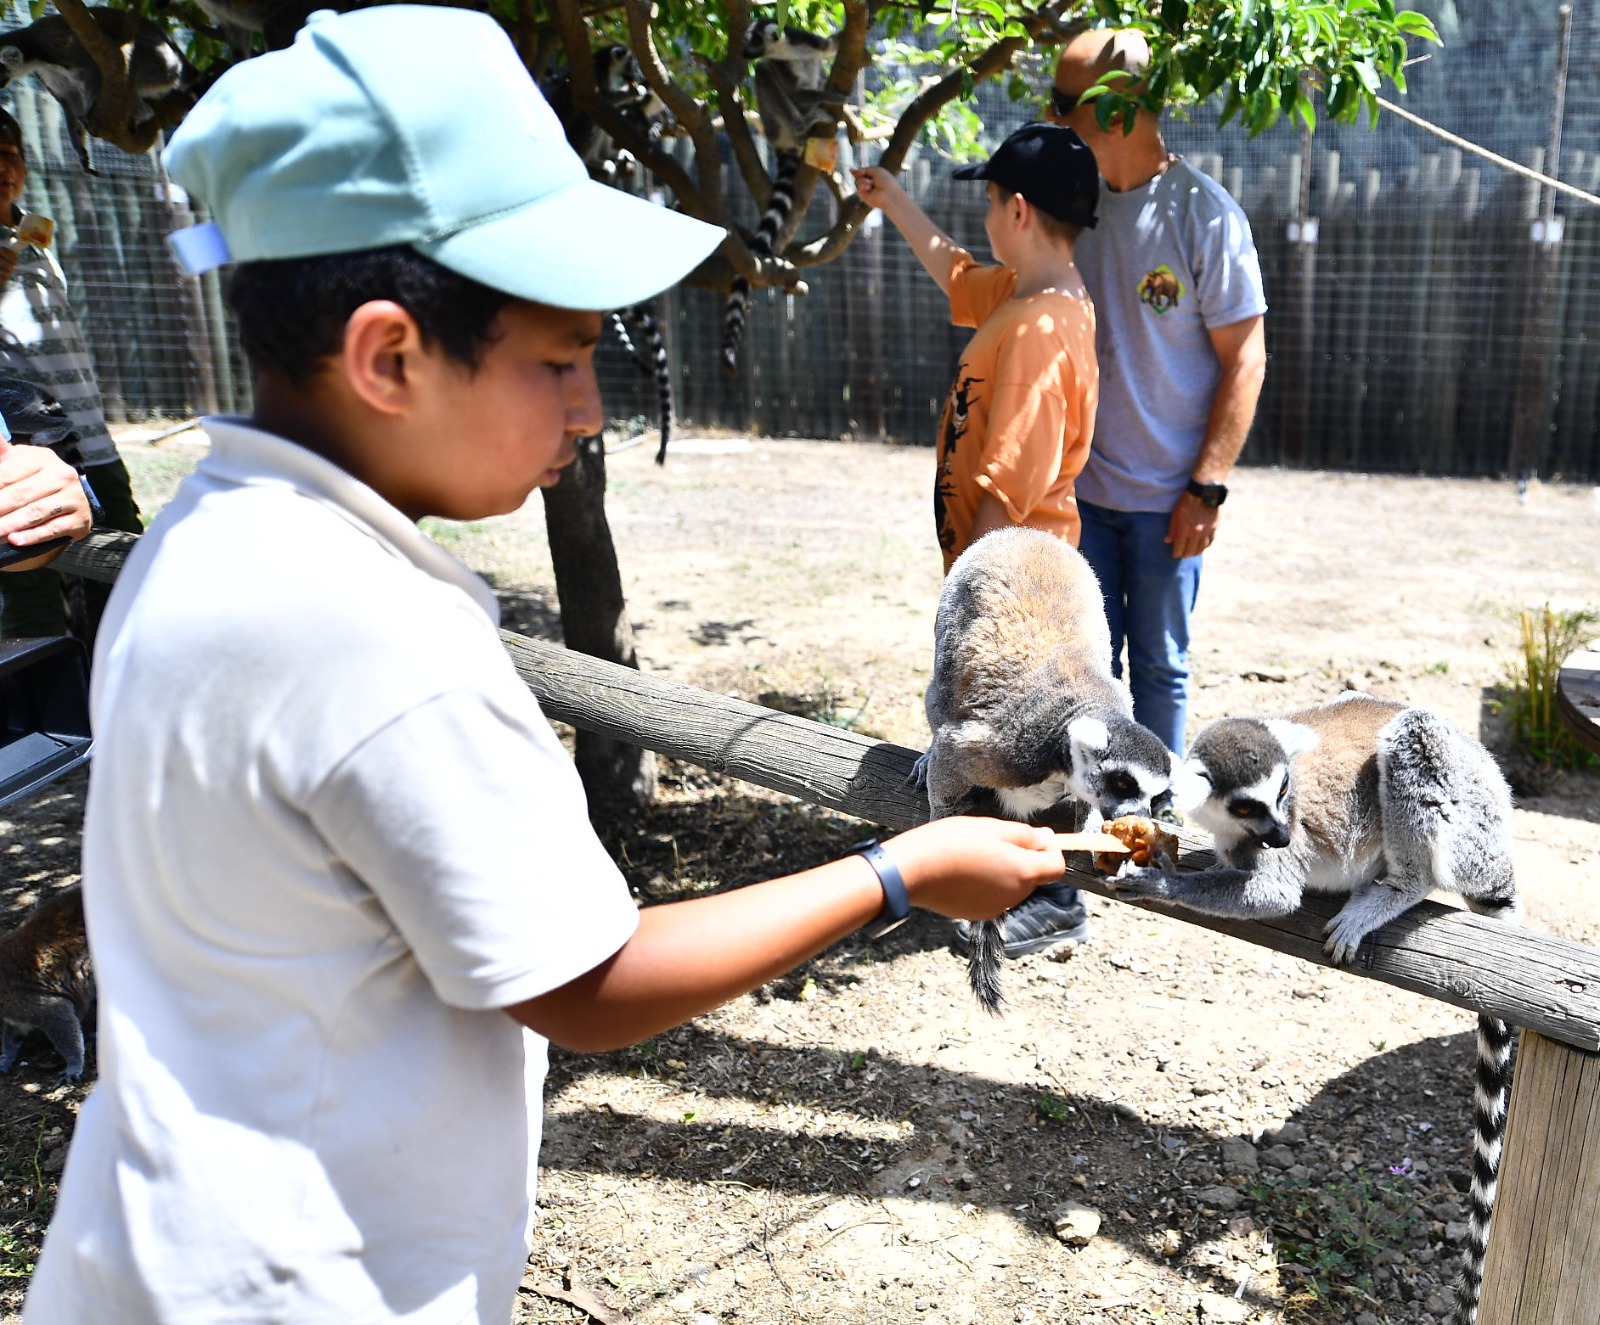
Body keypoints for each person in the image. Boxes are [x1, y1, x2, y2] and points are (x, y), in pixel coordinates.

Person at [20, 10, 1069, 1324]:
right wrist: (901, 870)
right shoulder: (375, 639)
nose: (590, 408)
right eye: (563, 362)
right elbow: (588, 981)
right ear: (390, 355)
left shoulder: (200, 539)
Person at [852, 123, 1100, 956]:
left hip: (1018, 586)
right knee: (1019, 746)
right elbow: (958, 277)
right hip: (1016, 573)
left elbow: (1007, 488)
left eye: (990, 200)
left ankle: (1050, 896)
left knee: (1021, 742)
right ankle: (1009, 885)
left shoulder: (1036, 331)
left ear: (1018, 210)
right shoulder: (1034, 296)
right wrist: (892, 198)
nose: (985, 216)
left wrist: (975, 600)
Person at [1046, 28, 1267, 763]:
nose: (1051, 120)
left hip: (1169, 502)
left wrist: (1207, 487)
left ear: (1115, 112)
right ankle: (1089, 830)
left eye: (1063, 104)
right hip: (1086, 493)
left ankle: (1156, 826)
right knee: (1085, 672)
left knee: (1160, 667)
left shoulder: (1206, 216)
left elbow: (1247, 360)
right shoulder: (1078, 210)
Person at [0, 108, 143, 643]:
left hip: (88, 436)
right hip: (22, 449)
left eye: (11, 152)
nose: (3, 166)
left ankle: (121, 698)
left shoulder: (36, 233)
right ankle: (40, 713)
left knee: (127, 569)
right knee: (30, 589)